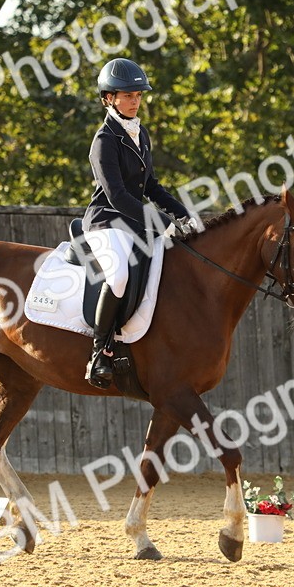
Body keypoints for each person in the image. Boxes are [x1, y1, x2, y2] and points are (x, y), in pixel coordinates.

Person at [82, 57, 193, 389]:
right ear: (109, 98)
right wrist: (159, 222)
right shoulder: (104, 140)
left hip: (134, 221)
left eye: (138, 95)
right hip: (105, 221)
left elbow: (152, 187)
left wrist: (184, 214)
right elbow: (116, 195)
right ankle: (99, 352)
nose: (135, 101)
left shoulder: (140, 132)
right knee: (117, 276)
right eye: (128, 95)